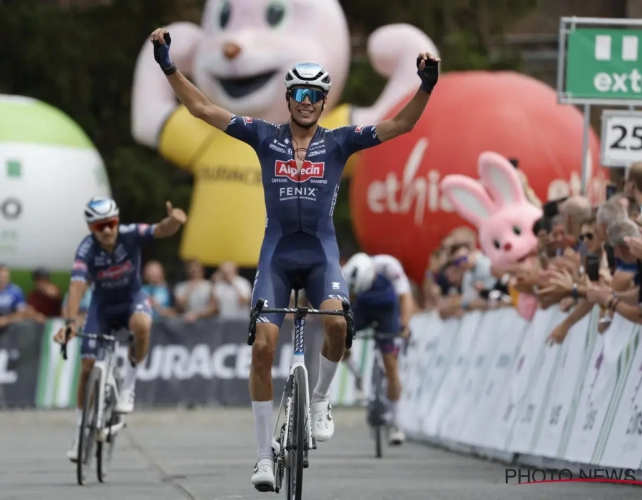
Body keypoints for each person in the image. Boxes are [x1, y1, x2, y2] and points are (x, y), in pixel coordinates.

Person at [149, 27, 439, 491]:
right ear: (288, 98)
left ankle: (320, 398)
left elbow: (400, 126)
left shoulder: (341, 141)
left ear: (324, 101)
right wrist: (167, 65)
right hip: (278, 254)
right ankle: (264, 457)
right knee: (263, 347)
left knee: (339, 326)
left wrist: (426, 85)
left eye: (316, 94)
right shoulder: (263, 136)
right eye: (300, 92)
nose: (307, 100)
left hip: (321, 252)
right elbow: (202, 108)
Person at [53, 196, 187, 462]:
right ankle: (81, 432)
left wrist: (175, 221)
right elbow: (77, 286)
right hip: (101, 308)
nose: (106, 230)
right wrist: (70, 323)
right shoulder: (86, 249)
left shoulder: (130, 234)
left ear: (117, 222)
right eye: (99, 226)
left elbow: (160, 230)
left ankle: (128, 385)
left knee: (142, 324)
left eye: (111, 224)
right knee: (87, 368)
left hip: (131, 301)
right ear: (91, 228)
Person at [342, 252, 411, 445]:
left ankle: (396, 422)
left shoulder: (389, 266)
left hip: (386, 309)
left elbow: (405, 296)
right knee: (339, 334)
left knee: (390, 362)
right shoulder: (346, 273)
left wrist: (404, 325)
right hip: (361, 307)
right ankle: (357, 374)